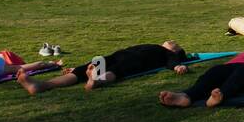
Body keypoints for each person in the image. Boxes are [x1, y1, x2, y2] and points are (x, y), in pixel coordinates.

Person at [17, 41, 190, 94]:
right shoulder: (157, 46)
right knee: (88, 66)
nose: (169, 41)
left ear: (175, 50)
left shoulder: (167, 53)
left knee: (117, 70)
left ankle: (96, 80)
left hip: (136, 61)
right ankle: (40, 85)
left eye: (173, 43)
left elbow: (171, 63)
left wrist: (177, 67)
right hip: (118, 55)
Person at [158, 51, 244, 107]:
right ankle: (186, 96)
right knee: (213, 73)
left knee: (238, 77)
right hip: (231, 65)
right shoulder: (243, 55)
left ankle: (220, 95)